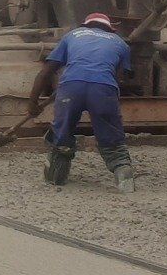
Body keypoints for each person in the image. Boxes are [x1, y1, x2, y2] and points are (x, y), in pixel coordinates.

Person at [30, 12, 136, 192]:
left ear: (85, 25)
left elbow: (46, 72)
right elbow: (119, 77)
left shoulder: (72, 36)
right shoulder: (120, 43)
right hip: (104, 88)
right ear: (109, 28)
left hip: (71, 86)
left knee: (61, 136)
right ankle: (123, 174)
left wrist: (32, 102)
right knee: (113, 139)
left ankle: (55, 178)